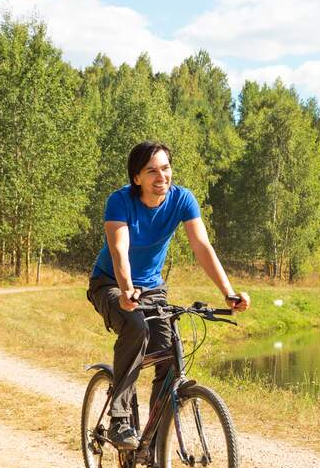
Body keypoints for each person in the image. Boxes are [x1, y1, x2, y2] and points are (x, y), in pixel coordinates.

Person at [87, 141, 249, 450]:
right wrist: (125, 291)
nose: (161, 176)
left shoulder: (182, 199)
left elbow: (202, 246)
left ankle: (154, 441)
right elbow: (119, 250)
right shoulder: (119, 202)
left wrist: (228, 293)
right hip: (110, 283)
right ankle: (120, 420)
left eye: (165, 168)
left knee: (170, 353)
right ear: (137, 178)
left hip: (152, 288)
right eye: (152, 171)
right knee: (135, 326)